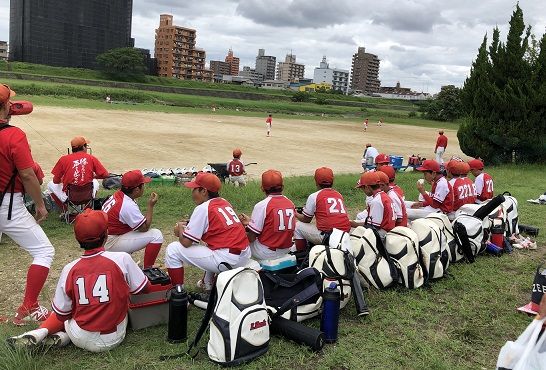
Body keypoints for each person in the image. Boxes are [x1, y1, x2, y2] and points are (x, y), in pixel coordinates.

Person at [7, 209, 150, 352]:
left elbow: (62, 313)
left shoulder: (69, 269)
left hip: (80, 337)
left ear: (77, 238)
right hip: (114, 337)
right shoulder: (122, 258)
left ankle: (40, 333)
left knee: (68, 312)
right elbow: (145, 288)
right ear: (106, 235)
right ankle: (59, 338)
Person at [0, 84, 54, 325]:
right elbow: (28, 175)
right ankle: (29, 306)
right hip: (7, 205)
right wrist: (41, 205)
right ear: (4, 106)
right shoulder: (14, 135)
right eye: (9, 100)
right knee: (44, 251)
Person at [165, 172, 250, 291]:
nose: (192, 192)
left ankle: (179, 294)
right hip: (243, 255)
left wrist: (179, 229)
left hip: (228, 260)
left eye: (195, 189)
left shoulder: (202, 208)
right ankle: (207, 283)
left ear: (204, 191)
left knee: (173, 250)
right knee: (211, 245)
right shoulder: (224, 202)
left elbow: (186, 243)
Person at [101, 170, 163, 269]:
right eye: (143, 185)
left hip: (104, 239)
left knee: (132, 228)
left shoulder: (119, 195)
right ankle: (148, 269)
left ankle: (123, 262)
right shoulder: (126, 204)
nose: (144, 187)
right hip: (110, 243)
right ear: (137, 190)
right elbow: (144, 228)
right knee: (156, 235)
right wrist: (150, 206)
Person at [239, 170, 296, 261]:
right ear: (282, 187)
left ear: (262, 188)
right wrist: (250, 222)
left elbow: (252, 237)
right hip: (286, 249)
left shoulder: (262, 205)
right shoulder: (290, 203)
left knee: (237, 244)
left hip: (266, 252)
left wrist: (240, 229)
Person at [294, 167, 351, 251]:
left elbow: (306, 220)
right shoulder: (338, 194)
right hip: (345, 234)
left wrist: (295, 213)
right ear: (332, 181)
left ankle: (301, 253)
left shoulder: (314, 196)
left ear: (316, 182)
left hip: (328, 236)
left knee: (297, 226)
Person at [47, 136, 109, 211]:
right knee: (95, 182)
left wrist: (63, 180)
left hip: (69, 197)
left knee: (50, 184)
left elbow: (55, 181)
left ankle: (66, 212)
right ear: (83, 147)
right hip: (87, 196)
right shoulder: (91, 158)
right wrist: (94, 176)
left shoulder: (63, 159)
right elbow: (105, 175)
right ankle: (87, 210)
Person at [352, 172, 395, 238]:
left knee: (354, 235)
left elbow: (373, 227)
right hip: (390, 230)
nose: (363, 191)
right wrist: (355, 223)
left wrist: (355, 225)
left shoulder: (376, 201)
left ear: (367, 187)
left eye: (362, 188)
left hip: (383, 234)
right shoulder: (383, 195)